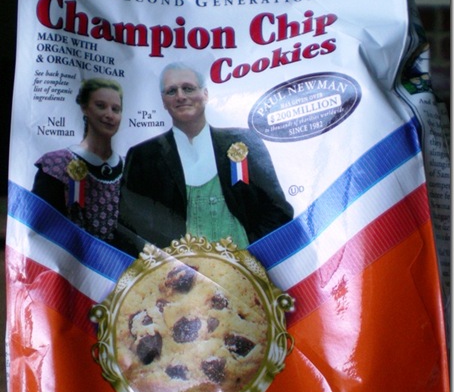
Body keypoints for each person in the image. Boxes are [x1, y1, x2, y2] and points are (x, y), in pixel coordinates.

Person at [116, 62, 293, 254]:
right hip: (178, 269)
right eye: (171, 91)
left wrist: (251, 254)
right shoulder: (143, 156)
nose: (181, 96)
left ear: (205, 94)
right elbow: (129, 225)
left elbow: (278, 210)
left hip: (245, 265)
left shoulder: (243, 141)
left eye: (188, 88)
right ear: (163, 101)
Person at [32, 78, 124, 243]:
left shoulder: (130, 167)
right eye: (101, 106)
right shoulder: (56, 164)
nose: (109, 115)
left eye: (115, 109)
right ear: (84, 108)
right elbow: (40, 230)